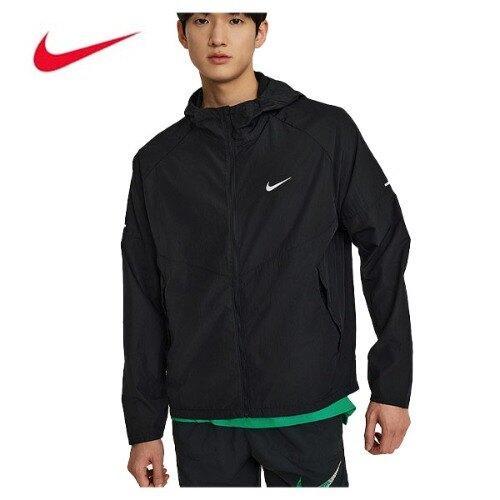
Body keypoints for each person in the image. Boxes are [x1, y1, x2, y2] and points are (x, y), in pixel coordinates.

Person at [121, 12, 412, 487]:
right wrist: (144, 426)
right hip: (203, 416)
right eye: (202, 20)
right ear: (182, 34)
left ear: (260, 32)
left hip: (305, 404)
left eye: (236, 20)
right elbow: (142, 297)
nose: (218, 37)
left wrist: (393, 386)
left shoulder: (324, 134)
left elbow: (386, 246)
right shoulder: (158, 164)